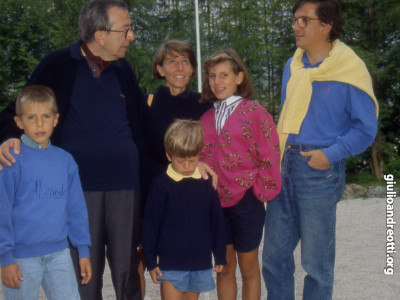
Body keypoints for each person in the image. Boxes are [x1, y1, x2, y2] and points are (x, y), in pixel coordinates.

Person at [0, 1, 147, 299]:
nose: (131, 36)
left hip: (125, 186)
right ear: (100, 34)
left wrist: (189, 157)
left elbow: (146, 126)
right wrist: (6, 136)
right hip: (79, 191)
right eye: (126, 29)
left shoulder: (123, 70)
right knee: (84, 276)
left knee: (127, 272)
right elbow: (15, 111)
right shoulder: (57, 65)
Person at [261, 0, 379, 299]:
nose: (295, 25)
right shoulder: (294, 65)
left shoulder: (349, 70)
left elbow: (366, 128)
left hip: (319, 168)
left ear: (326, 26)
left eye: (304, 20)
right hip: (284, 162)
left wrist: (330, 154)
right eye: (294, 19)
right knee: (274, 258)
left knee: (316, 264)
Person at [200, 49, 282, 300]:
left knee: (248, 267)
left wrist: (260, 191)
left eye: (224, 75)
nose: (218, 81)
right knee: (224, 268)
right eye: (213, 76)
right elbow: (199, 156)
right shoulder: (206, 117)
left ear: (239, 77)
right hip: (215, 203)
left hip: (247, 201)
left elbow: (270, 151)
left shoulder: (255, 112)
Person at [0, 85, 92, 300]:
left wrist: (83, 250)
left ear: (56, 119)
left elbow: (76, 210)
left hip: (59, 255)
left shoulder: (65, 161)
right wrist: (5, 258)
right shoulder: (11, 160)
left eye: (46, 116)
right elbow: (1, 210)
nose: (40, 123)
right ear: (19, 122)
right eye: (31, 117)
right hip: (21, 258)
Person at [142, 119, 226, 300]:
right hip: (171, 264)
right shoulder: (160, 185)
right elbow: (150, 224)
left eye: (192, 160)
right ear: (169, 155)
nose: (187, 166)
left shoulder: (206, 183)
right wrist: (150, 261)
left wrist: (220, 254)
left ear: (199, 154)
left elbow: (217, 221)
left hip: (199, 262)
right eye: (181, 161)